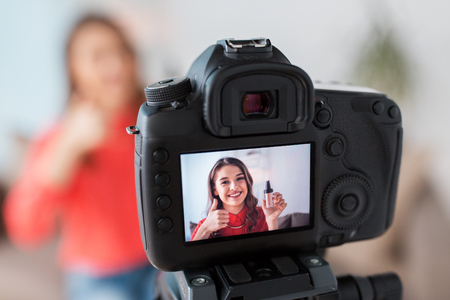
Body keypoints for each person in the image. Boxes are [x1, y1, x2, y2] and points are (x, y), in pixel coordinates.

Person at [2, 15, 158, 300]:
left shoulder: (155, 125)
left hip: (158, 266)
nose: (116, 64)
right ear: (73, 68)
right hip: (96, 277)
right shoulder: (57, 138)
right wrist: (68, 149)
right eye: (98, 55)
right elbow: (24, 228)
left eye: (121, 50)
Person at [191, 157, 287, 241]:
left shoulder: (264, 214)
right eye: (225, 182)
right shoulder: (204, 225)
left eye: (239, 178)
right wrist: (206, 229)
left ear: (247, 182)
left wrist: (272, 221)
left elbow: (276, 253)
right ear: (215, 190)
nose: (234, 187)